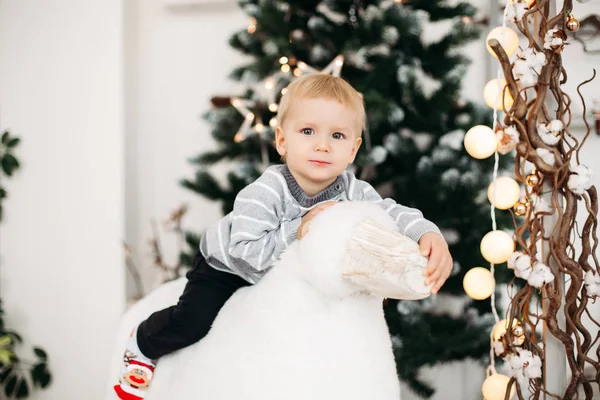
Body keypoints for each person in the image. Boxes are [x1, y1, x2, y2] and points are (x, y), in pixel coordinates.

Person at [113, 73, 453, 400]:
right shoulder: (264, 192)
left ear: (353, 150)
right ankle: (144, 341)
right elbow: (249, 254)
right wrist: (301, 228)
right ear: (282, 140)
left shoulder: (351, 189)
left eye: (337, 136)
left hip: (280, 272)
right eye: (308, 131)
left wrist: (427, 233)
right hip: (229, 264)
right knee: (195, 322)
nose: (322, 145)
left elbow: (390, 212)